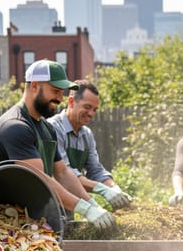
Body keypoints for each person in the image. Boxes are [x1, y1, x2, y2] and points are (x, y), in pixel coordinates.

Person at [0, 59, 115, 231]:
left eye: (61, 92)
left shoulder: (46, 128)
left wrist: (92, 205)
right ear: (34, 85)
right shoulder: (15, 126)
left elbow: (62, 173)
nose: (59, 98)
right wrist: (84, 209)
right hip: (9, 224)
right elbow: (39, 180)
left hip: (36, 222)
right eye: (55, 91)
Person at [50, 80, 132, 210]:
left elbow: (95, 170)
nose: (91, 114)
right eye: (87, 107)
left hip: (71, 207)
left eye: (95, 109)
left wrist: (113, 188)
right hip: (49, 205)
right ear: (71, 102)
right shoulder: (53, 128)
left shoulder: (86, 135)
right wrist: (101, 190)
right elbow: (64, 173)